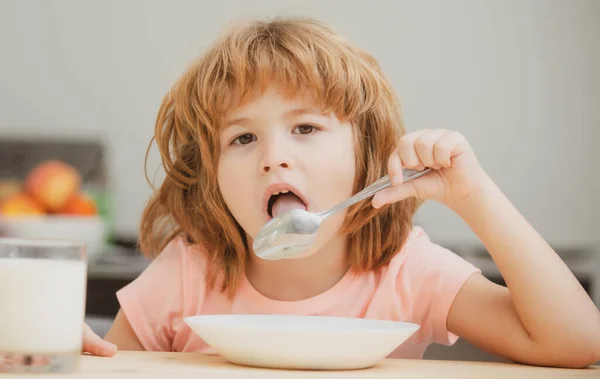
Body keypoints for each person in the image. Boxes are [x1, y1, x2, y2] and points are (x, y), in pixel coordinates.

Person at [82, 17, 600, 368]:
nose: (273, 156)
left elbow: (579, 344)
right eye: (243, 138)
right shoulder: (188, 273)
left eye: (305, 128)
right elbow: (111, 366)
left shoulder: (405, 271)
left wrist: (475, 195)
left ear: (365, 153)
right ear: (212, 178)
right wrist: (72, 351)